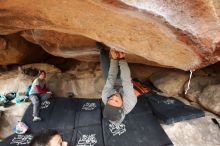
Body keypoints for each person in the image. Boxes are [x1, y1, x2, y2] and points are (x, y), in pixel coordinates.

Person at [98, 43, 137, 124]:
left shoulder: (105, 97)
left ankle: (102, 50)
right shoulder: (130, 102)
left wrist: (114, 59)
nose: (115, 96)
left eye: (111, 99)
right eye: (116, 101)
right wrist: (122, 59)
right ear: (122, 106)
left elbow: (111, 77)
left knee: (105, 68)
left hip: (113, 86)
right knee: (123, 73)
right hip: (124, 87)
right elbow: (126, 80)